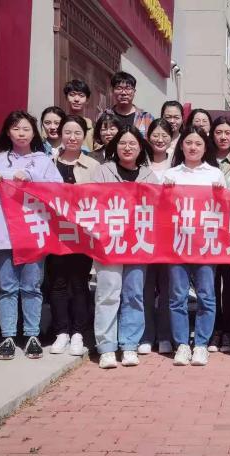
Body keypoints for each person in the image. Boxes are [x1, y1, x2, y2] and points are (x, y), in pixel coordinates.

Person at [0, 111, 63, 360]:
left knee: (32, 286)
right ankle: (8, 336)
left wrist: (32, 178)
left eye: (26, 128)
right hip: (3, 231)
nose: (21, 133)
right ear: (7, 131)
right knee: (6, 287)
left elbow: (58, 190)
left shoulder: (43, 161)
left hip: (33, 232)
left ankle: (32, 334)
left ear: (34, 132)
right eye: (16, 128)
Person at [92, 125, 158, 369]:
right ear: (115, 146)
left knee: (134, 294)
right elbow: (92, 203)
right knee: (108, 293)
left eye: (132, 144)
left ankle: (129, 344)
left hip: (138, 242)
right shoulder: (103, 171)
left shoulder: (149, 176)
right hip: (109, 243)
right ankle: (106, 347)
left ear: (141, 148)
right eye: (122, 143)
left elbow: (157, 207)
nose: (127, 148)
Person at [163, 126, 225, 366]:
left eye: (198, 143)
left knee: (206, 296)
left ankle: (200, 344)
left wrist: (220, 195)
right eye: (188, 142)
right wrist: (166, 193)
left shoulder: (215, 174)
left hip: (206, 243)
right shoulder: (171, 174)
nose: (193, 147)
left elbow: (226, 210)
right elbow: (161, 209)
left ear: (205, 147)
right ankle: (181, 344)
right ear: (181, 145)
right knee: (177, 296)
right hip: (177, 243)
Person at [47, 115, 99, 356]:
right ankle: (61, 332)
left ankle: (78, 331)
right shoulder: (48, 163)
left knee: (79, 282)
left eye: (77, 133)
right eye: (67, 132)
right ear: (60, 134)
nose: (72, 137)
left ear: (84, 136)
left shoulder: (93, 166)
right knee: (57, 282)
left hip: (81, 234)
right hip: (54, 233)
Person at [138, 119, 173, 355]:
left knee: (169, 287)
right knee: (145, 286)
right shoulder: (140, 162)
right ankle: (146, 335)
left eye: (164, 135)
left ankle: (165, 335)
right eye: (155, 135)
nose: (160, 140)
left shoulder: (178, 163)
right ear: (148, 137)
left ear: (171, 138)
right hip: (143, 231)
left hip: (170, 234)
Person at [208, 116, 230, 353]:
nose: (223, 137)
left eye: (227, 132)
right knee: (210, 282)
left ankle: (229, 330)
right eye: (218, 132)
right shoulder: (204, 160)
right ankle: (214, 329)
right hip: (209, 229)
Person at [99, 71, 154, 137]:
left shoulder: (146, 118)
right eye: (119, 88)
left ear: (134, 91)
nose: (124, 93)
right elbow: (98, 139)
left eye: (128, 88)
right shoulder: (105, 116)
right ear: (112, 91)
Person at [63, 79, 94, 152]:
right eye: (72, 95)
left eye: (81, 95)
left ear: (87, 100)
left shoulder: (92, 126)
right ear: (66, 97)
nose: (76, 99)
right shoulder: (58, 123)